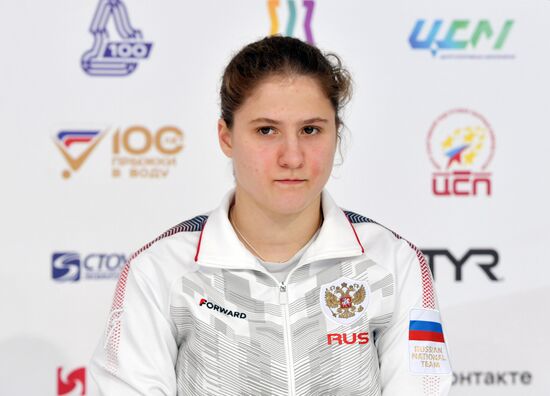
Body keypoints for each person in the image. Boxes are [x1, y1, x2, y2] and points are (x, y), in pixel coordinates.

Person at [90, 35, 453, 395]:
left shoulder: (392, 261)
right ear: (226, 136)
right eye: (267, 130)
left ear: (336, 135)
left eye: (311, 130)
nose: (292, 157)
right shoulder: (162, 268)